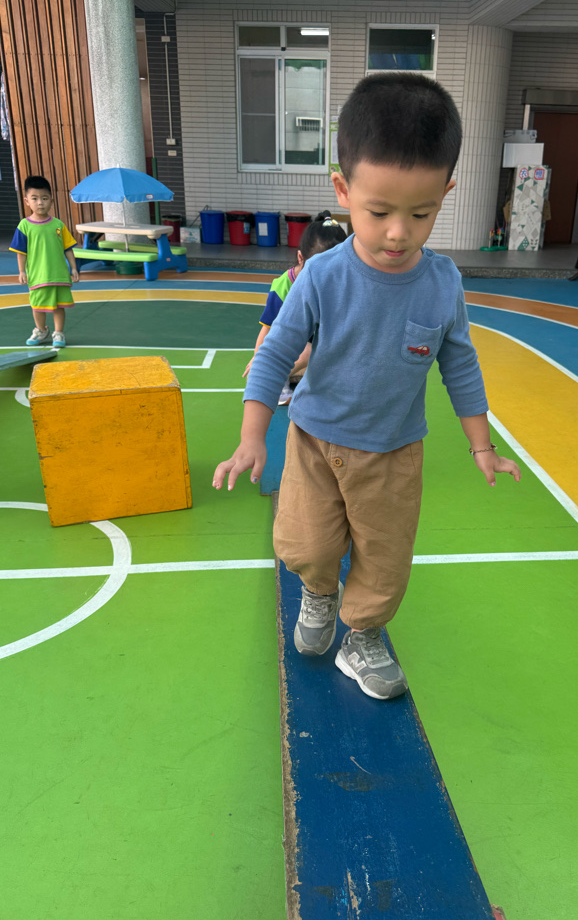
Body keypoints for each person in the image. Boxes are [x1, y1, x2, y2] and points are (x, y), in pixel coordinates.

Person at [213, 73, 521, 702]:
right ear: (343, 190)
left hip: (393, 452)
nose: (398, 233)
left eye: (421, 213)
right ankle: (319, 592)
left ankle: (363, 635)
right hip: (314, 442)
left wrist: (482, 446)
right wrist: (252, 437)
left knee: (384, 557)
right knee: (307, 542)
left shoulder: (443, 283)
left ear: (446, 194)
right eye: (378, 212)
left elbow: (460, 365)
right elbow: (274, 355)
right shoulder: (321, 276)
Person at [243, 211, 347, 404]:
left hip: (322, 336)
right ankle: (276, 378)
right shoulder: (283, 287)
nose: (327, 279)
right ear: (300, 258)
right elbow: (267, 330)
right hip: (294, 339)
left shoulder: (343, 283)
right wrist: (259, 364)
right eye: (320, 270)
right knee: (307, 350)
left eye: (336, 270)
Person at [10, 175, 78, 349]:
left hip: (59, 275)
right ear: (27, 201)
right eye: (35, 198)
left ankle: (59, 332)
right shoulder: (24, 226)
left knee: (58, 306)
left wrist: (73, 268)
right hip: (37, 275)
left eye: (44, 198)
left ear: (51, 201)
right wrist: (22, 271)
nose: (40, 202)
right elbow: (21, 252)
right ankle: (41, 330)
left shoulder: (58, 225)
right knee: (37, 306)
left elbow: (68, 248)